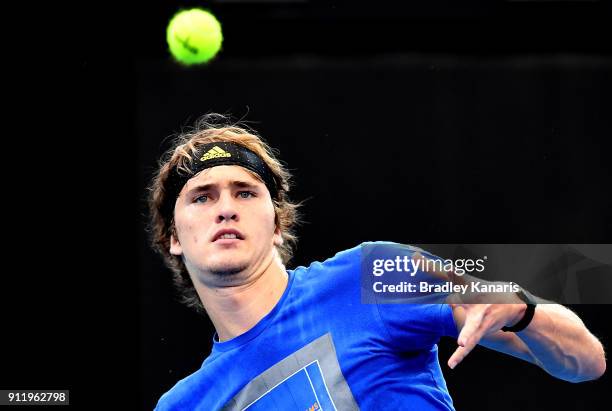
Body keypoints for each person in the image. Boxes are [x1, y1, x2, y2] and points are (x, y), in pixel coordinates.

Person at [147, 114, 605, 410]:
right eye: (202, 197)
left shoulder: (373, 274)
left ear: (278, 225)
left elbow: (586, 361)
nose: (226, 208)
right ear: (173, 238)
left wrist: (523, 309)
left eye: (245, 192)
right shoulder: (183, 405)